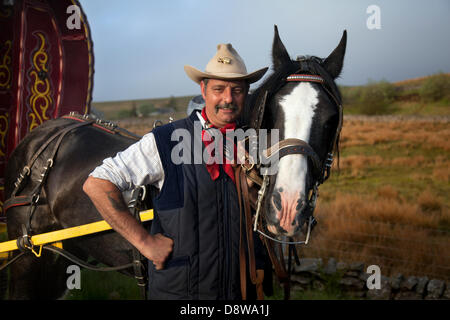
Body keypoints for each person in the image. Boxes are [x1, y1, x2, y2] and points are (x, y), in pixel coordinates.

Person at [83, 43, 268, 300]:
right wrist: (144, 242)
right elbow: (98, 183)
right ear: (203, 90)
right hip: (180, 294)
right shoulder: (166, 141)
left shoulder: (253, 143)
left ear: (246, 93)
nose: (228, 98)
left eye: (237, 90)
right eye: (218, 89)